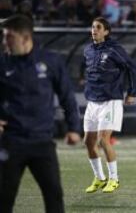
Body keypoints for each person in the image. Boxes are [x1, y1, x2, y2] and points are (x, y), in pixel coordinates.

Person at [0, 14, 81, 213]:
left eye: (9, 37)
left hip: (43, 143)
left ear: (26, 38)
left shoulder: (50, 61)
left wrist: (74, 128)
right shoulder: (2, 63)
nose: (4, 42)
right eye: (3, 37)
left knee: (54, 194)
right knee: (3, 197)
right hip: (10, 142)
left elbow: (67, 96)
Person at [83, 17, 136, 193]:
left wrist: (132, 92)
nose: (94, 30)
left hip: (111, 101)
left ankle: (114, 179)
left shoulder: (115, 49)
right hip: (92, 102)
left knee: (102, 139)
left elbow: (131, 68)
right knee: (88, 141)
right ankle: (100, 178)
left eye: (98, 27)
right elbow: (83, 67)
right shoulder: (88, 50)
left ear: (106, 32)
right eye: (93, 27)